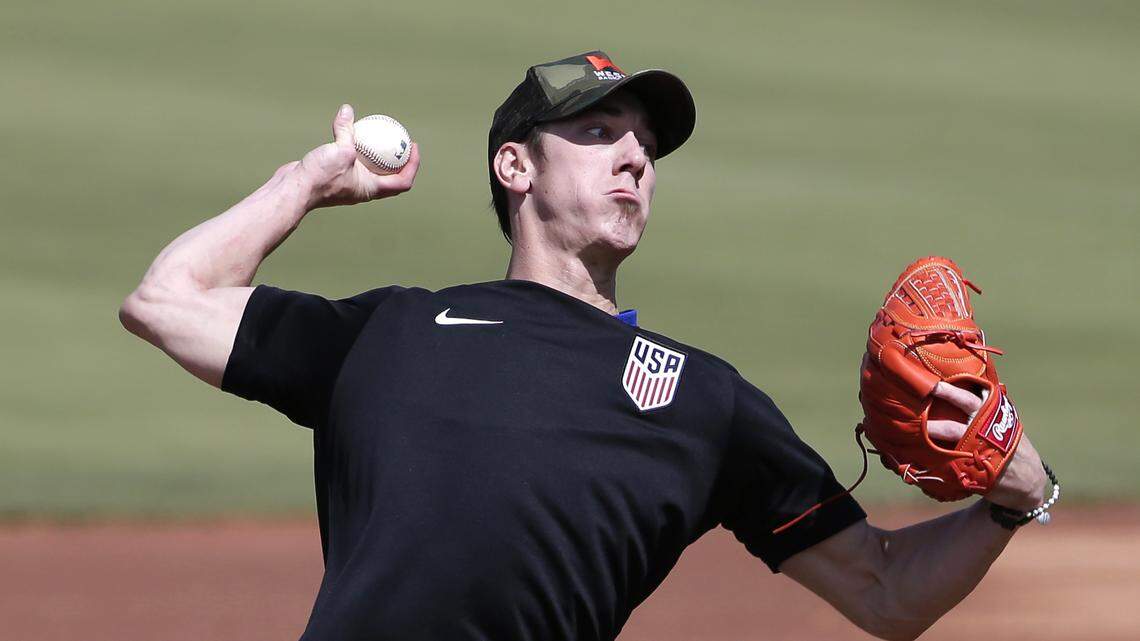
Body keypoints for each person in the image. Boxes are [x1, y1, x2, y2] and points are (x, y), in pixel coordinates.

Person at [120, 51, 1048, 641]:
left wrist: (1013, 503)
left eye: (645, 144)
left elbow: (884, 593)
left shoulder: (702, 401)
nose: (636, 156)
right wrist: (306, 183)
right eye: (599, 131)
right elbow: (167, 299)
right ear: (514, 166)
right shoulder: (391, 330)